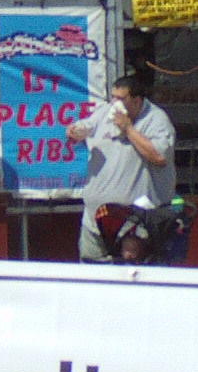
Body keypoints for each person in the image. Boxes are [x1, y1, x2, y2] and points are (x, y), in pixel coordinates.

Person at [67, 74, 175, 265]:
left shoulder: (156, 120)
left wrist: (129, 129)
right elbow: (87, 126)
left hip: (134, 224)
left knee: (129, 276)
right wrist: (76, 132)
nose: (115, 102)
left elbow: (159, 157)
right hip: (94, 220)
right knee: (91, 278)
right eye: (113, 97)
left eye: (121, 98)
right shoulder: (105, 112)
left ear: (137, 100)